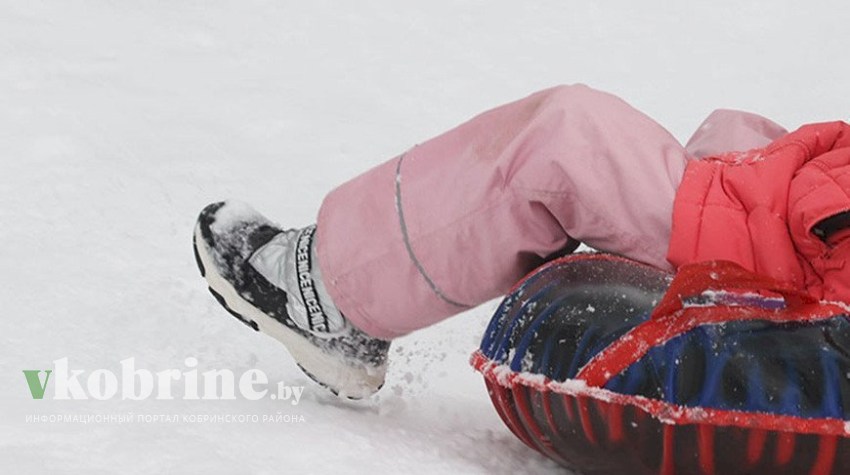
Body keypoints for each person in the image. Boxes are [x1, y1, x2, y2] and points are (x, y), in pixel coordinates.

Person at [192, 84, 850, 399]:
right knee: (741, 128)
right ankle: (620, 270)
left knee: (567, 141)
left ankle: (336, 298)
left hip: (788, 261)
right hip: (790, 214)